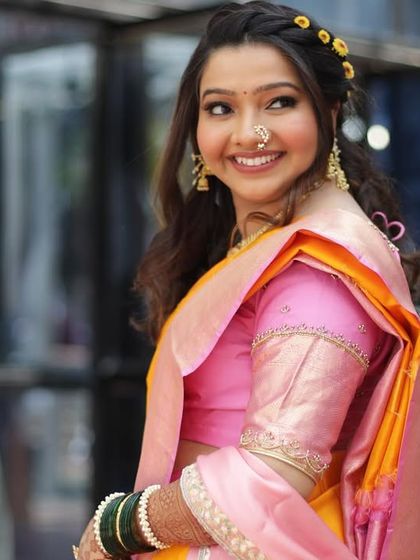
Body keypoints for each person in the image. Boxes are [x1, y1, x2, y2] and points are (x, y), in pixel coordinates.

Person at [75, 2, 420, 559]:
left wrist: (120, 524)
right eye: (220, 108)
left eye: (279, 102)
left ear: (330, 112)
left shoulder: (318, 272)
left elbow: (272, 475)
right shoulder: (265, 244)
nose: (248, 133)